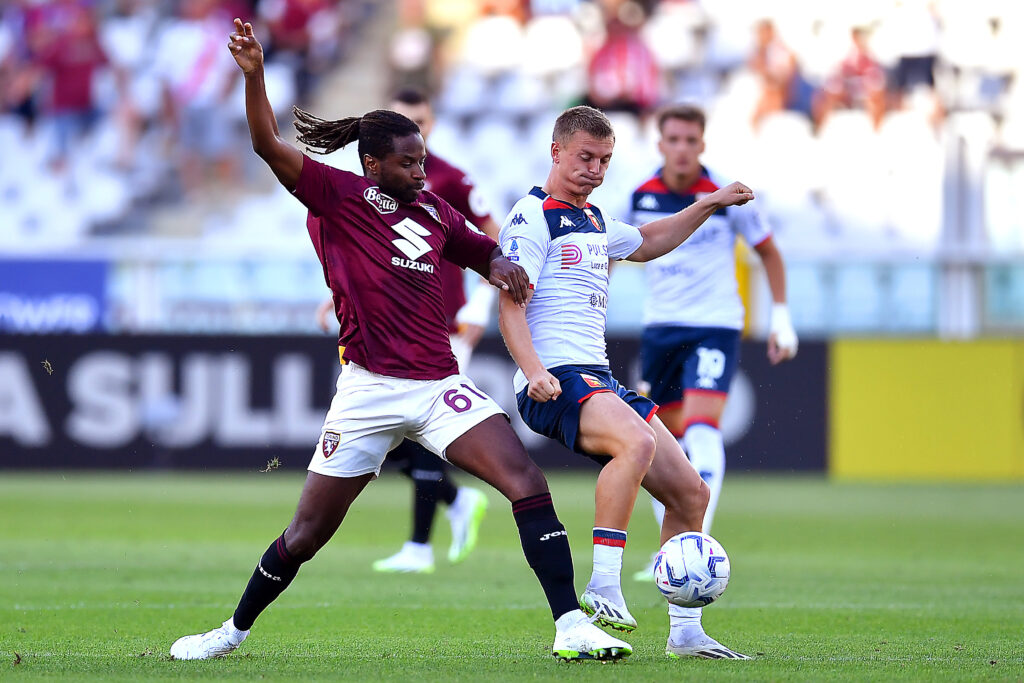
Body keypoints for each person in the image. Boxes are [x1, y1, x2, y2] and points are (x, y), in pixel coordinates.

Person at [168, 20, 631, 662]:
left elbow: (483, 252)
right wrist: (254, 76)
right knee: (305, 535)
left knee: (525, 481)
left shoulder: (437, 210)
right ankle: (231, 632)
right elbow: (266, 142)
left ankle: (571, 624)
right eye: (408, 162)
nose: (420, 171)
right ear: (371, 163)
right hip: (367, 391)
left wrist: (506, 268)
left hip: (440, 387)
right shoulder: (337, 195)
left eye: (422, 159)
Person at [498, 105, 753, 659]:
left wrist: (707, 203)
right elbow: (510, 308)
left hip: (599, 379)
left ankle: (686, 634)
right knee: (634, 443)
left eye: (605, 160)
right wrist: (535, 371)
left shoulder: (592, 219)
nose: (595, 169)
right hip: (556, 380)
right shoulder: (531, 216)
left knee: (691, 493)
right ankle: (604, 583)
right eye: (585, 157)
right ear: (555, 151)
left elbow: (649, 240)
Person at [315, 88, 498, 574]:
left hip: (446, 323)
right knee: (394, 436)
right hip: (387, 328)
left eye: (419, 118)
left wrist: (482, 303)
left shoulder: (449, 179)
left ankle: (420, 543)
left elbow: (491, 240)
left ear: (431, 121)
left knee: (418, 435)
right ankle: (454, 501)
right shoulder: (367, 189)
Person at [628, 104, 798, 580]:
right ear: (660, 144)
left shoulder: (727, 194)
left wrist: (781, 317)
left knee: (702, 429)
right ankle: (670, 549)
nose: (682, 149)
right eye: (673, 140)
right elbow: (612, 248)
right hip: (660, 327)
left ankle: (694, 544)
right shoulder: (637, 195)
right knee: (657, 441)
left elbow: (768, 251)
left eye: (691, 140)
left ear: (702, 145)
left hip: (714, 324)